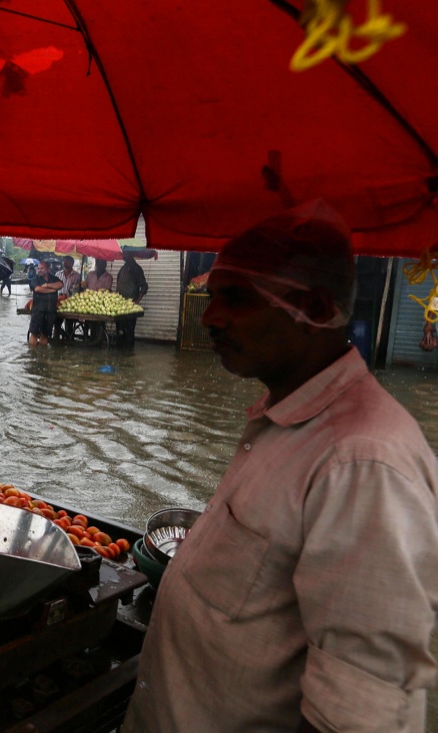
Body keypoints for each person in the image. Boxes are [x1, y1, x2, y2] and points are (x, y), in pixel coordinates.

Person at [123, 202, 438, 733]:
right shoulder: (284, 417)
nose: (208, 317)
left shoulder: (363, 464)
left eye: (237, 299)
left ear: (315, 307)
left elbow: (358, 713)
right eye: (213, 294)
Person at [114, 251, 148, 347]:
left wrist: (137, 301)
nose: (123, 256)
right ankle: (120, 351)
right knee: (119, 330)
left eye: (125, 254)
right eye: (123, 254)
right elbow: (118, 283)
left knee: (129, 330)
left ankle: (128, 352)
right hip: (119, 305)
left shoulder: (137, 269)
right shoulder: (123, 268)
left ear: (131, 255)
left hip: (130, 306)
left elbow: (144, 286)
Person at [27, 259, 62, 347]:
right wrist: (52, 291)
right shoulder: (36, 279)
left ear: (48, 269)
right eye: (38, 269)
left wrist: (47, 285)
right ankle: (33, 354)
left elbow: (60, 285)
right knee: (34, 333)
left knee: (45, 334)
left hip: (50, 310)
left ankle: (43, 354)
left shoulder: (53, 278)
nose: (39, 270)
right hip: (38, 310)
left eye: (42, 268)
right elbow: (37, 289)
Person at [54, 256, 81, 340]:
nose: (65, 263)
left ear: (72, 263)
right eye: (64, 261)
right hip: (58, 301)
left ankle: (68, 338)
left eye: (67, 262)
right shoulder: (58, 274)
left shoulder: (77, 276)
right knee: (57, 323)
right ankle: (56, 338)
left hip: (70, 303)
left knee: (69, 324)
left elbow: (78, 290)